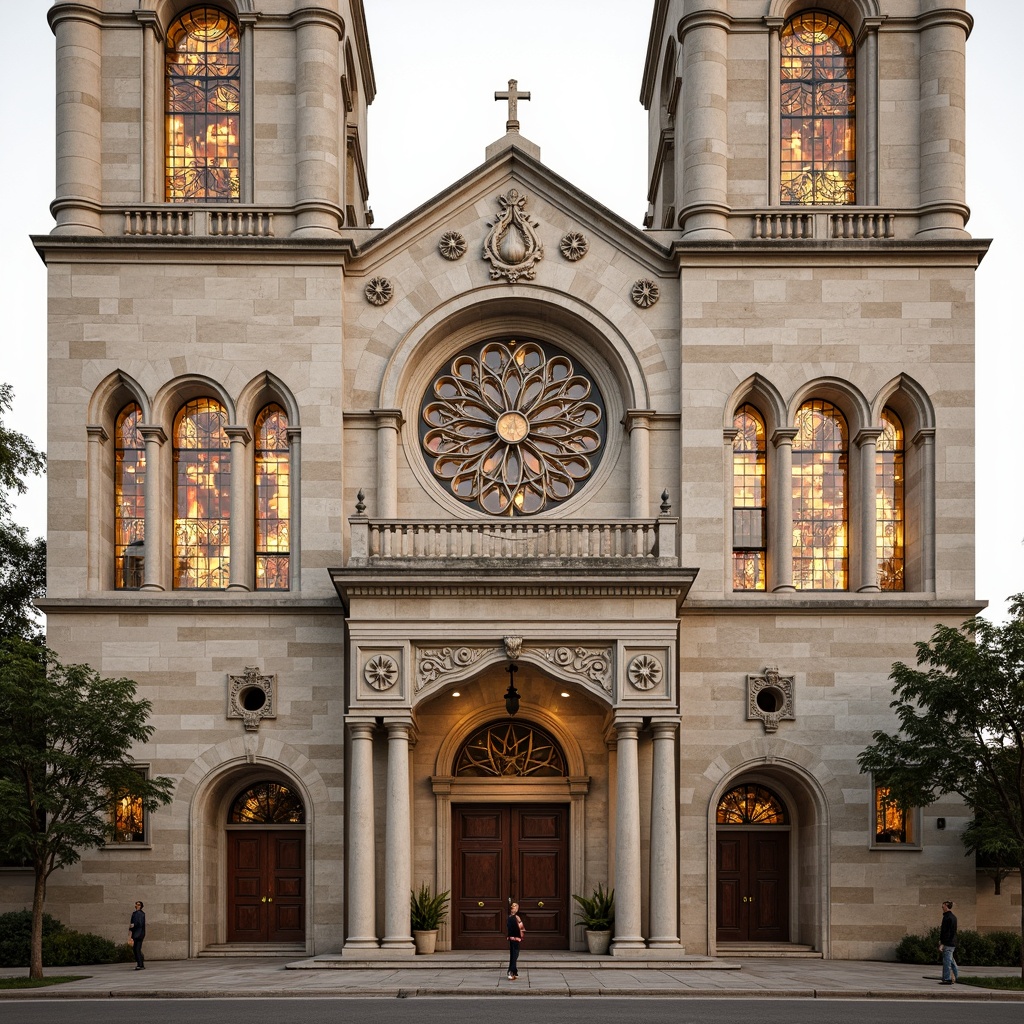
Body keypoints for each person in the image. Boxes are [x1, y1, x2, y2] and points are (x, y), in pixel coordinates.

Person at [938, 899, 958, 984]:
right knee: (951, 961)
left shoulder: (947, 918)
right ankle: (956, 976)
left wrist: (943, 943)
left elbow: (946, 932)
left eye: (943, 906)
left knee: (947, 961)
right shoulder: (953, 917)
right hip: (951, 942)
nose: (942, 907)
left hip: (948, 943)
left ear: (946, 906)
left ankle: (947, 978)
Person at [506, 900, 525, 980]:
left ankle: (514, 971)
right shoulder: (516, 918)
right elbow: (521, 928)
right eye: (516, 908)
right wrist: (521, 937)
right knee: (515, 955)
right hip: (516, 938)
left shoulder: (508, 917)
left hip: (511, 938)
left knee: (513, 954)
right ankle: (511, 971)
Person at [129, 900, 146, 970]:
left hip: (137, 934)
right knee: (136, 949)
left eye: (138, 904)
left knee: (136, 949)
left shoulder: (137, 914)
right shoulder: (140, 913)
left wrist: (132, 928)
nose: (137, 905)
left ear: (141, 906)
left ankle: (140, 964)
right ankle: (140, 963)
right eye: (136, 904)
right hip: (139, 934)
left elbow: (137, 924)